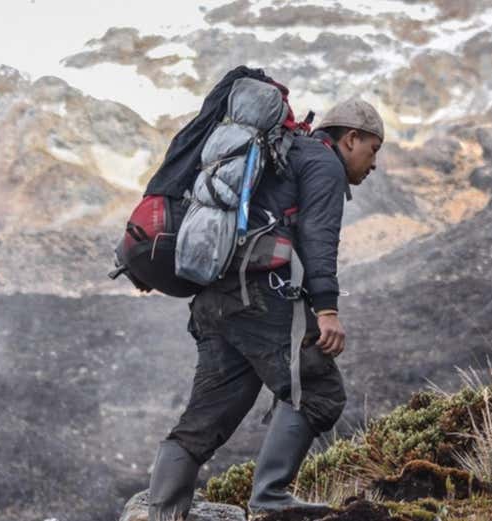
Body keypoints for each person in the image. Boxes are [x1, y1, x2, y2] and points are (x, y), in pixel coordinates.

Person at [147, 98, 385, 520]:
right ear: (351, 138)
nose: (374, 163)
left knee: (207, 416)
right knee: (318, 391)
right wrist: (327, 310)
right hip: (259, 296)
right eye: (373, 149)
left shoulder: (283, 155)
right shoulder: (324, 164)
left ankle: (161, 513)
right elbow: (318, 237)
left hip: (213, 299)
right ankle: (270, 498)